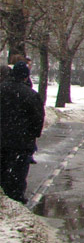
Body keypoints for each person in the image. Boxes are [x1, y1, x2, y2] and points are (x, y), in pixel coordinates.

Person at [0, 61, 45, 203]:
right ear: (26, 76)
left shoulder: (1, 89)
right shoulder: (31, 95)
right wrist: (33, 134)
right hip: (21, 142)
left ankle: (4, 198)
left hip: (1, 141)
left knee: (3, 171)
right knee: (18, 175)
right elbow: (38, 118)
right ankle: (16, 199)